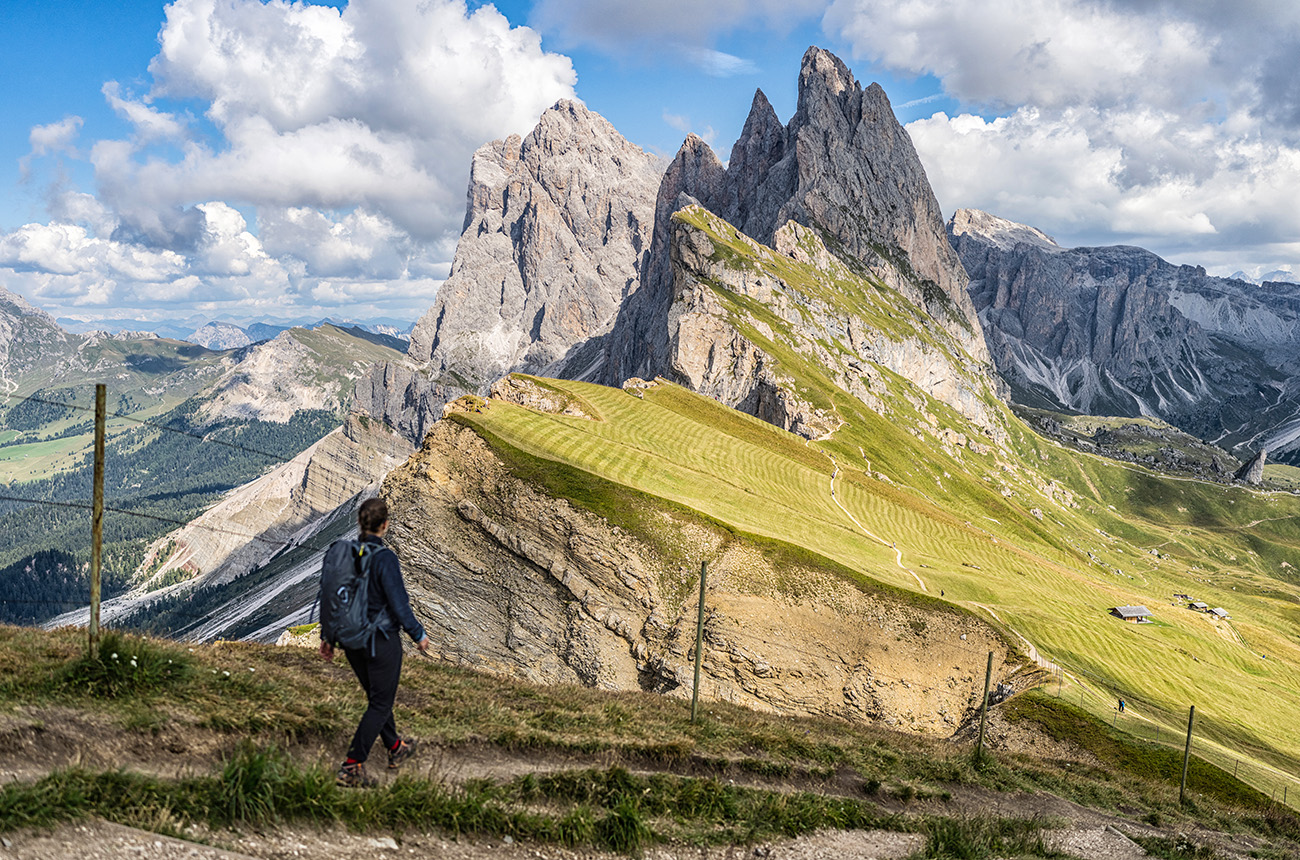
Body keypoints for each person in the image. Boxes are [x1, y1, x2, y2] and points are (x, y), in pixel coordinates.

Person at [319, 497, 429, 787]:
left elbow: (329, 594)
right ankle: (352, 767)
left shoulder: (345, 554)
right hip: (380, 641)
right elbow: (398, 603)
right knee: (380, 703)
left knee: (377, 699)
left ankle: (395, 749)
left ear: (359, 523)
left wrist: (328, 637)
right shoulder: (385, 558)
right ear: (384, 525)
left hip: (351, 641)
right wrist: (417, 634)